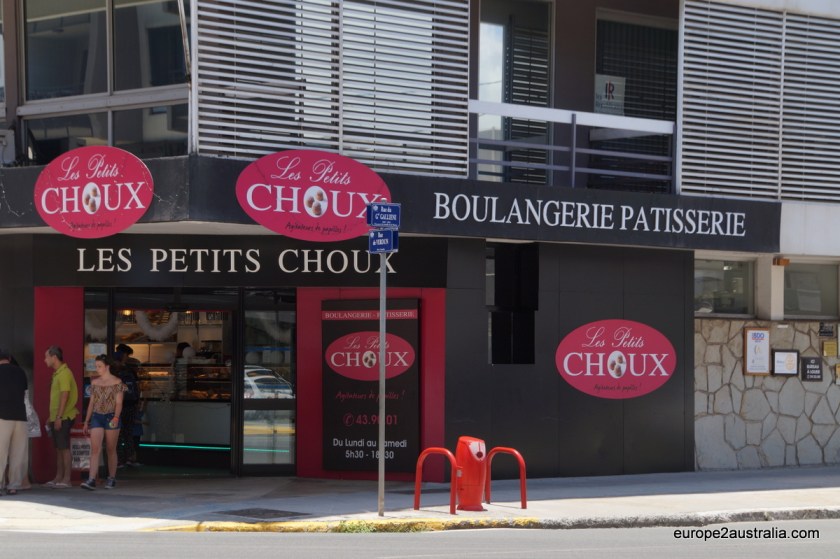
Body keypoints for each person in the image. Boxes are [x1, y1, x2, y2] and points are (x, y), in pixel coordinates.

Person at [81, 354, 126, 490]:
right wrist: (86, 421)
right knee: (95, 449)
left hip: (112, 416)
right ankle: (91, 479)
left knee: (111, 449)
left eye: (99, 366)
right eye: (96, 366)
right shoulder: (95, 382)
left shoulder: (117, 382)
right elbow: (91, 403)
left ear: (107, 366)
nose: (97, 369)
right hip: (97, 416)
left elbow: (119, 403)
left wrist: (116, 417)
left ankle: (111, 478)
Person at [44, 346, 79, 488]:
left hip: (64, 416)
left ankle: (66, 479)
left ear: (54, 357)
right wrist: (51, 417)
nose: (44, 360)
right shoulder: (57, 373)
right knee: (59, 448)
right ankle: (58, 477)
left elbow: (65, 395)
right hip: (57, 416)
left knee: (64, 447)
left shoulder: (65, 373)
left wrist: (58, 417)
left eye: (46, 356)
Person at [0, 348, 28, 496]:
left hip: (2, 416)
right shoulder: (20, 372)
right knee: (17, 453)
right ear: (9, 359)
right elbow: (24, 393)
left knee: (0, 453)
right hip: (20, 416)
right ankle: (13, 485)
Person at [114, 344, 141, 467]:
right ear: (124, 354)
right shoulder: (129, 370)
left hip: (119, 407)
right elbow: (137, 389)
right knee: (128, 433)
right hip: (130, 406)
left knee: (119, 433)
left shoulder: (114, 371)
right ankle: (130, 458)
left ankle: (120, 460)